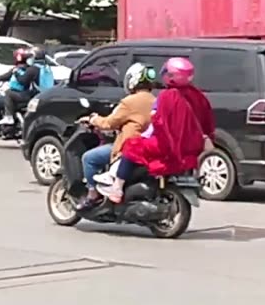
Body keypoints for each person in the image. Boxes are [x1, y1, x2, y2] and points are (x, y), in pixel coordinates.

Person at [96, 57, 215, 204]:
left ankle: (117, 188)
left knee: (131, 145)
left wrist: (145, 137)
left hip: (170, 146)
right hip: (192, 146)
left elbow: (158, 123)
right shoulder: (199, 96)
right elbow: (208, 122)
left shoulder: (167, 96)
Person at [75, 63, 157, 211]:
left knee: (89, 158)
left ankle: (93, 195)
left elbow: (109, 123)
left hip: (128, 147)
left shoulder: (129, 101)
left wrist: (93, 119)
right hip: (147, 146)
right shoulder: (154, 100)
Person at [0, 48, 38, 130]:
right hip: (23, 96)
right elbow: (3, 77)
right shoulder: (28, 69)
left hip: (17, 96)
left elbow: (3, 77)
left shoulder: (17, 70)